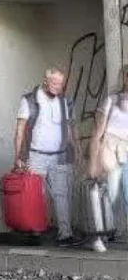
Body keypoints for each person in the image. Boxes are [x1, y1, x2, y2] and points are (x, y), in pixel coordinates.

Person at [14, 67, 81, 247]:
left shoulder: (66, 101)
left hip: (60, 156)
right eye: (54, 82)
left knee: (62, 195)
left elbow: (70, 129)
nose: (58, 87)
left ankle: (65, 235)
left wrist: (77, 152)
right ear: (45, 80)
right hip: (35, 156)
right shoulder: (29, 100)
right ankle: (35, 232)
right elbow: (20, 130)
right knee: (36, 196)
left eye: (61, 83)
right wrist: (18, 156)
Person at [87, 64, 128, 252]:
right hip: (110, 150)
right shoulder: (111, 100)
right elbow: (96, 134)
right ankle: (102, 234)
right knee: (109, 195)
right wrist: (93, 162)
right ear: (124, 78)